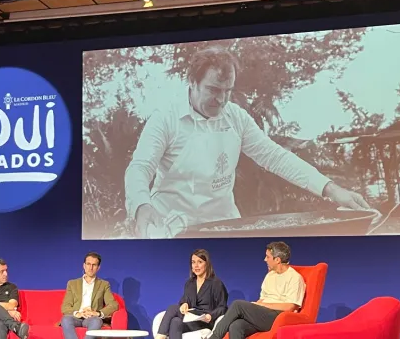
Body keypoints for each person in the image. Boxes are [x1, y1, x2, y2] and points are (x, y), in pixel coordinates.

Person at [124, 46, 371, 238]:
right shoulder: (165, 119)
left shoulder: (236, 117)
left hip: (225, 228)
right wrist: (141, 206)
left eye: (227, 91)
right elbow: (140, 167)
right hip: (173, 229)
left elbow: (275, 157)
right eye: (213, 90)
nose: (221, 100)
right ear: (192, 82)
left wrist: (331, 189)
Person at [206, 242, 305, 339]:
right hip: (264, 314)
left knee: (237, 305)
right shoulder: (270, 275)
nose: (265, 259)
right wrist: (257, 305)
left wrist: (263, 305)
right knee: (236, 326)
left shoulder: (295, 278)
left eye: (268, 257)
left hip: (279, 317)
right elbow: (263, 299)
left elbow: (290, 307)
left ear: (277, 260)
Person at [156, 249, 228, 339]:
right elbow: (184, 300)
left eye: (200, 262)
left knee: (172, 308)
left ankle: (159, 336)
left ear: (207, 264)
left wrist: (211, 315)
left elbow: (223, 307)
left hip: (205, 322)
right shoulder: (190, 283)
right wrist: (184, 304)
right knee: (175, 321)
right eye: (193, 262)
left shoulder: (216, 283)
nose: (196, 266)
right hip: (190, 319)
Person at [60, 252, 119, 339]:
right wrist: (77, 313)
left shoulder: (104, 284)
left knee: (97, 321)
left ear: (98, 268)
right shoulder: (72, 283)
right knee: (65, 319)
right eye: (88, 264)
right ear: (84, 266)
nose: (90, 268)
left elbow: (114, 305)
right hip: (76, 317)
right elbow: (65, 306)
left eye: (94, 265)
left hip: (92, 318)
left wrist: (97, 313)